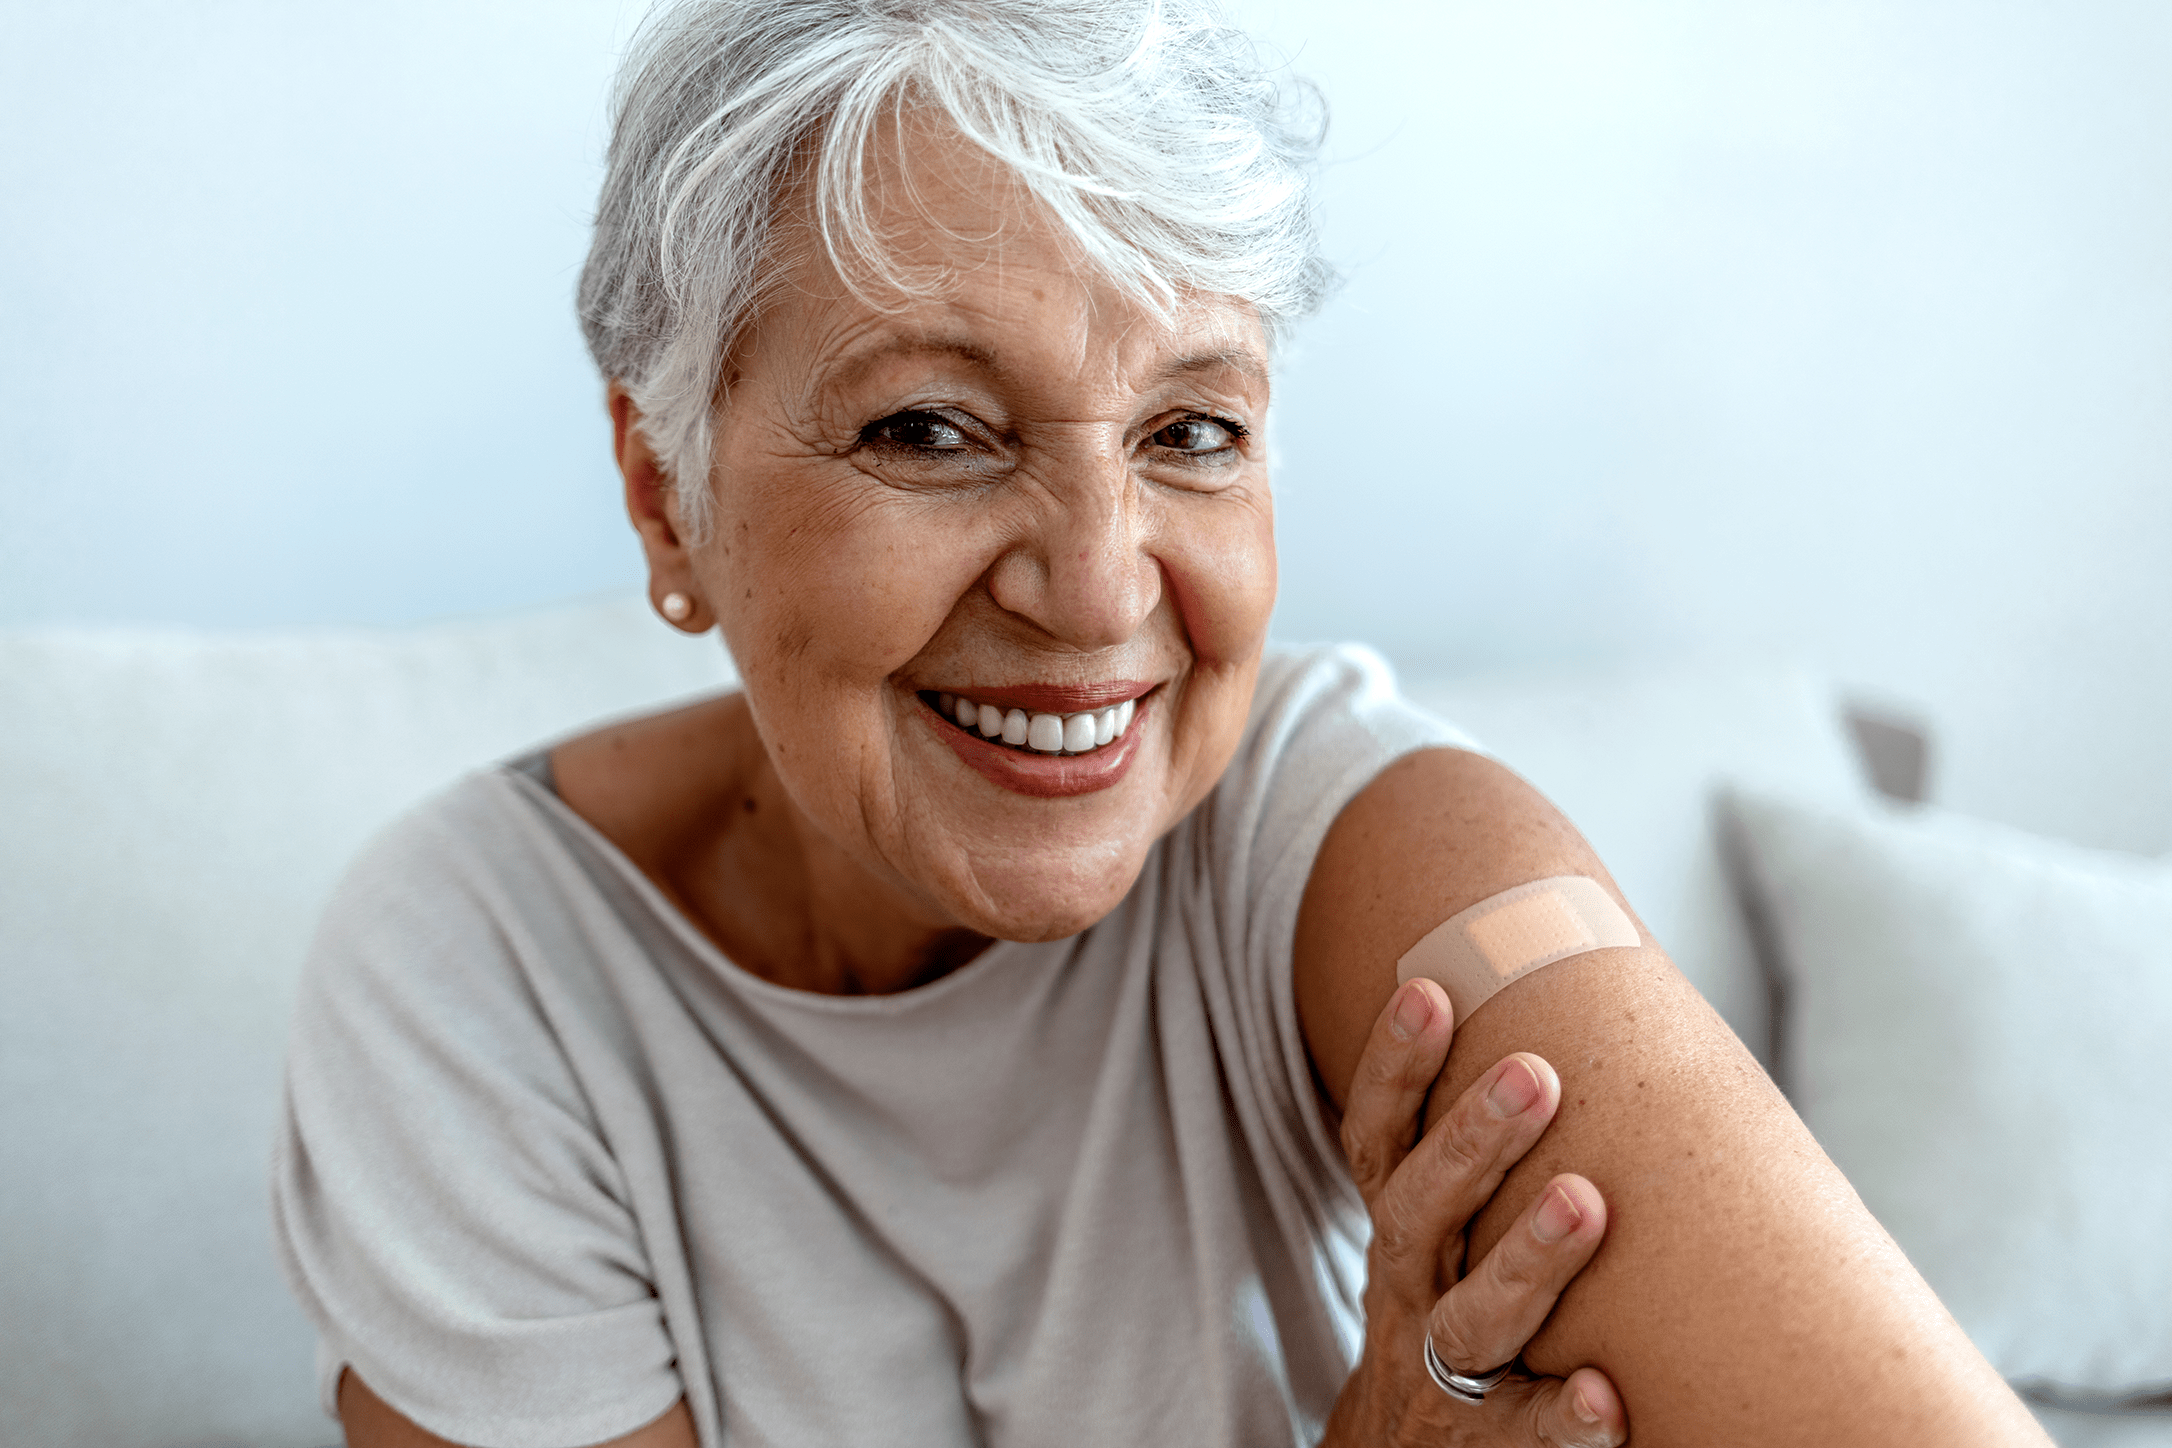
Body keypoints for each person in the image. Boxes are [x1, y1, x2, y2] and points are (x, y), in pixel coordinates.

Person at [271, 2, 2054, 1445]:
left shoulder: (1355, 833)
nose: (1104, 589)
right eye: (930, 429)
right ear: (669, 497)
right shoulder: (470, 978)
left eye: (1190, 431)